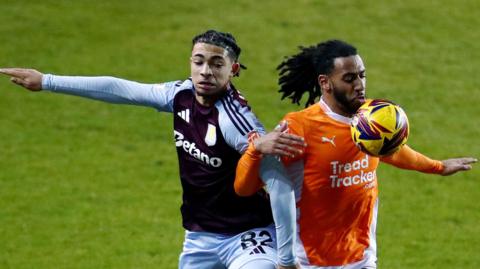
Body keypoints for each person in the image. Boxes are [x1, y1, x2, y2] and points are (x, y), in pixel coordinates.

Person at [0, 30, 304, 269]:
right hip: (200, 236)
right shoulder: (180, 94)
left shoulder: (234, 120)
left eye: (216, 64)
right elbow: (122, 89)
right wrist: (47, 81)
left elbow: (277, 181)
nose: (205, 71)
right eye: (198, 61)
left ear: (233, 69)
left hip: (248, 236)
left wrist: (287, 258)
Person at [234, 40, 477, 268]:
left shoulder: (373, 116)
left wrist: (438, 166)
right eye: (349, 78)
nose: (359, 85)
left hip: (361, 257)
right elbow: (246, 188)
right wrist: (254, 151)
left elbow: (392, 151)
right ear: (325, 82)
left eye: (362, 75)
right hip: (309, 260)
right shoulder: (300, 127)